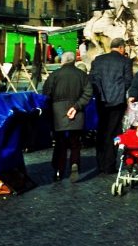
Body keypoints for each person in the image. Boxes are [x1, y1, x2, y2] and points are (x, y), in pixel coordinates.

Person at [42, 51, 93, 182]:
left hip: (58, 112)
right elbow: (88, 93)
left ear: (62, 61)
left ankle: (58, 170)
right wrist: (76, 107)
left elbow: (46, 93)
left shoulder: (54, 75)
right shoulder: (82, 75)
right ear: (74, 61)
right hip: (77, 111)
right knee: (75, 142)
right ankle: (74, 164)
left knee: (60, 142)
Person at [89, 37, 133, 174]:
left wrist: (102, 94)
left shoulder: (98, 60)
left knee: (102, 130)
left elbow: (93, 79)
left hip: (101, 101)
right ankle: (109, 165)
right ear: (121, 47)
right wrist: (118, 92)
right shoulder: (125, 61)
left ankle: (100, 163)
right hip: (117, 101)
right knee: (114, 132)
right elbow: (128, 81)